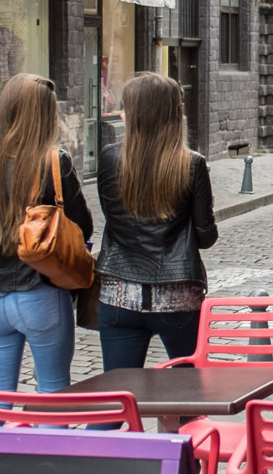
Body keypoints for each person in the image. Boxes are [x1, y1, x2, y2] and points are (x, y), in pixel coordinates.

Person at [0, 74, 93, 399]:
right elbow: (82, 226)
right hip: (40, 293)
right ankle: (48, 451)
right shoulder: (54, 161)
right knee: (53, 395)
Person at [95, 72, 218, 370]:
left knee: (116, 396)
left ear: (133, 114)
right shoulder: (191, 163)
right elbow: (206, 238)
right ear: (174, 114)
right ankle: (174, 418)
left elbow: (113, 218)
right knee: (188, 391)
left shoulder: (110, 158)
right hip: (177, 298)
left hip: (120, 294)